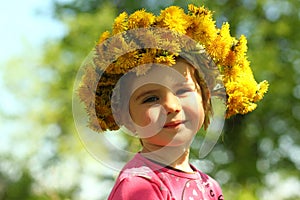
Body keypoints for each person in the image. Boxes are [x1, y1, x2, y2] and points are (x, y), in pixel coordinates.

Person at [76, 4, 269, 200]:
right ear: (125, 117)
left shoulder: (210, 187)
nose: (171, 106)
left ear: (205, 98)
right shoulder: (140, 186)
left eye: (182, 90)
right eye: (151, 98)